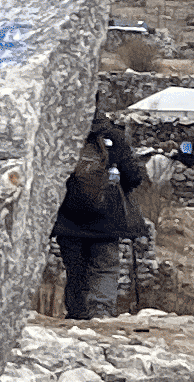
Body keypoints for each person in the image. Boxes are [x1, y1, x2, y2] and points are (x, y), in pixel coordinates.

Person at [52, 116, 146, 323]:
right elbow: (134, 176)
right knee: (104, 268)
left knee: (75, 270)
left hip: (69, 220)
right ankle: (100, 315)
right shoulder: (114, 136)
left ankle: (76, 315)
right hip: (107, 220)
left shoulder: (64, 134)